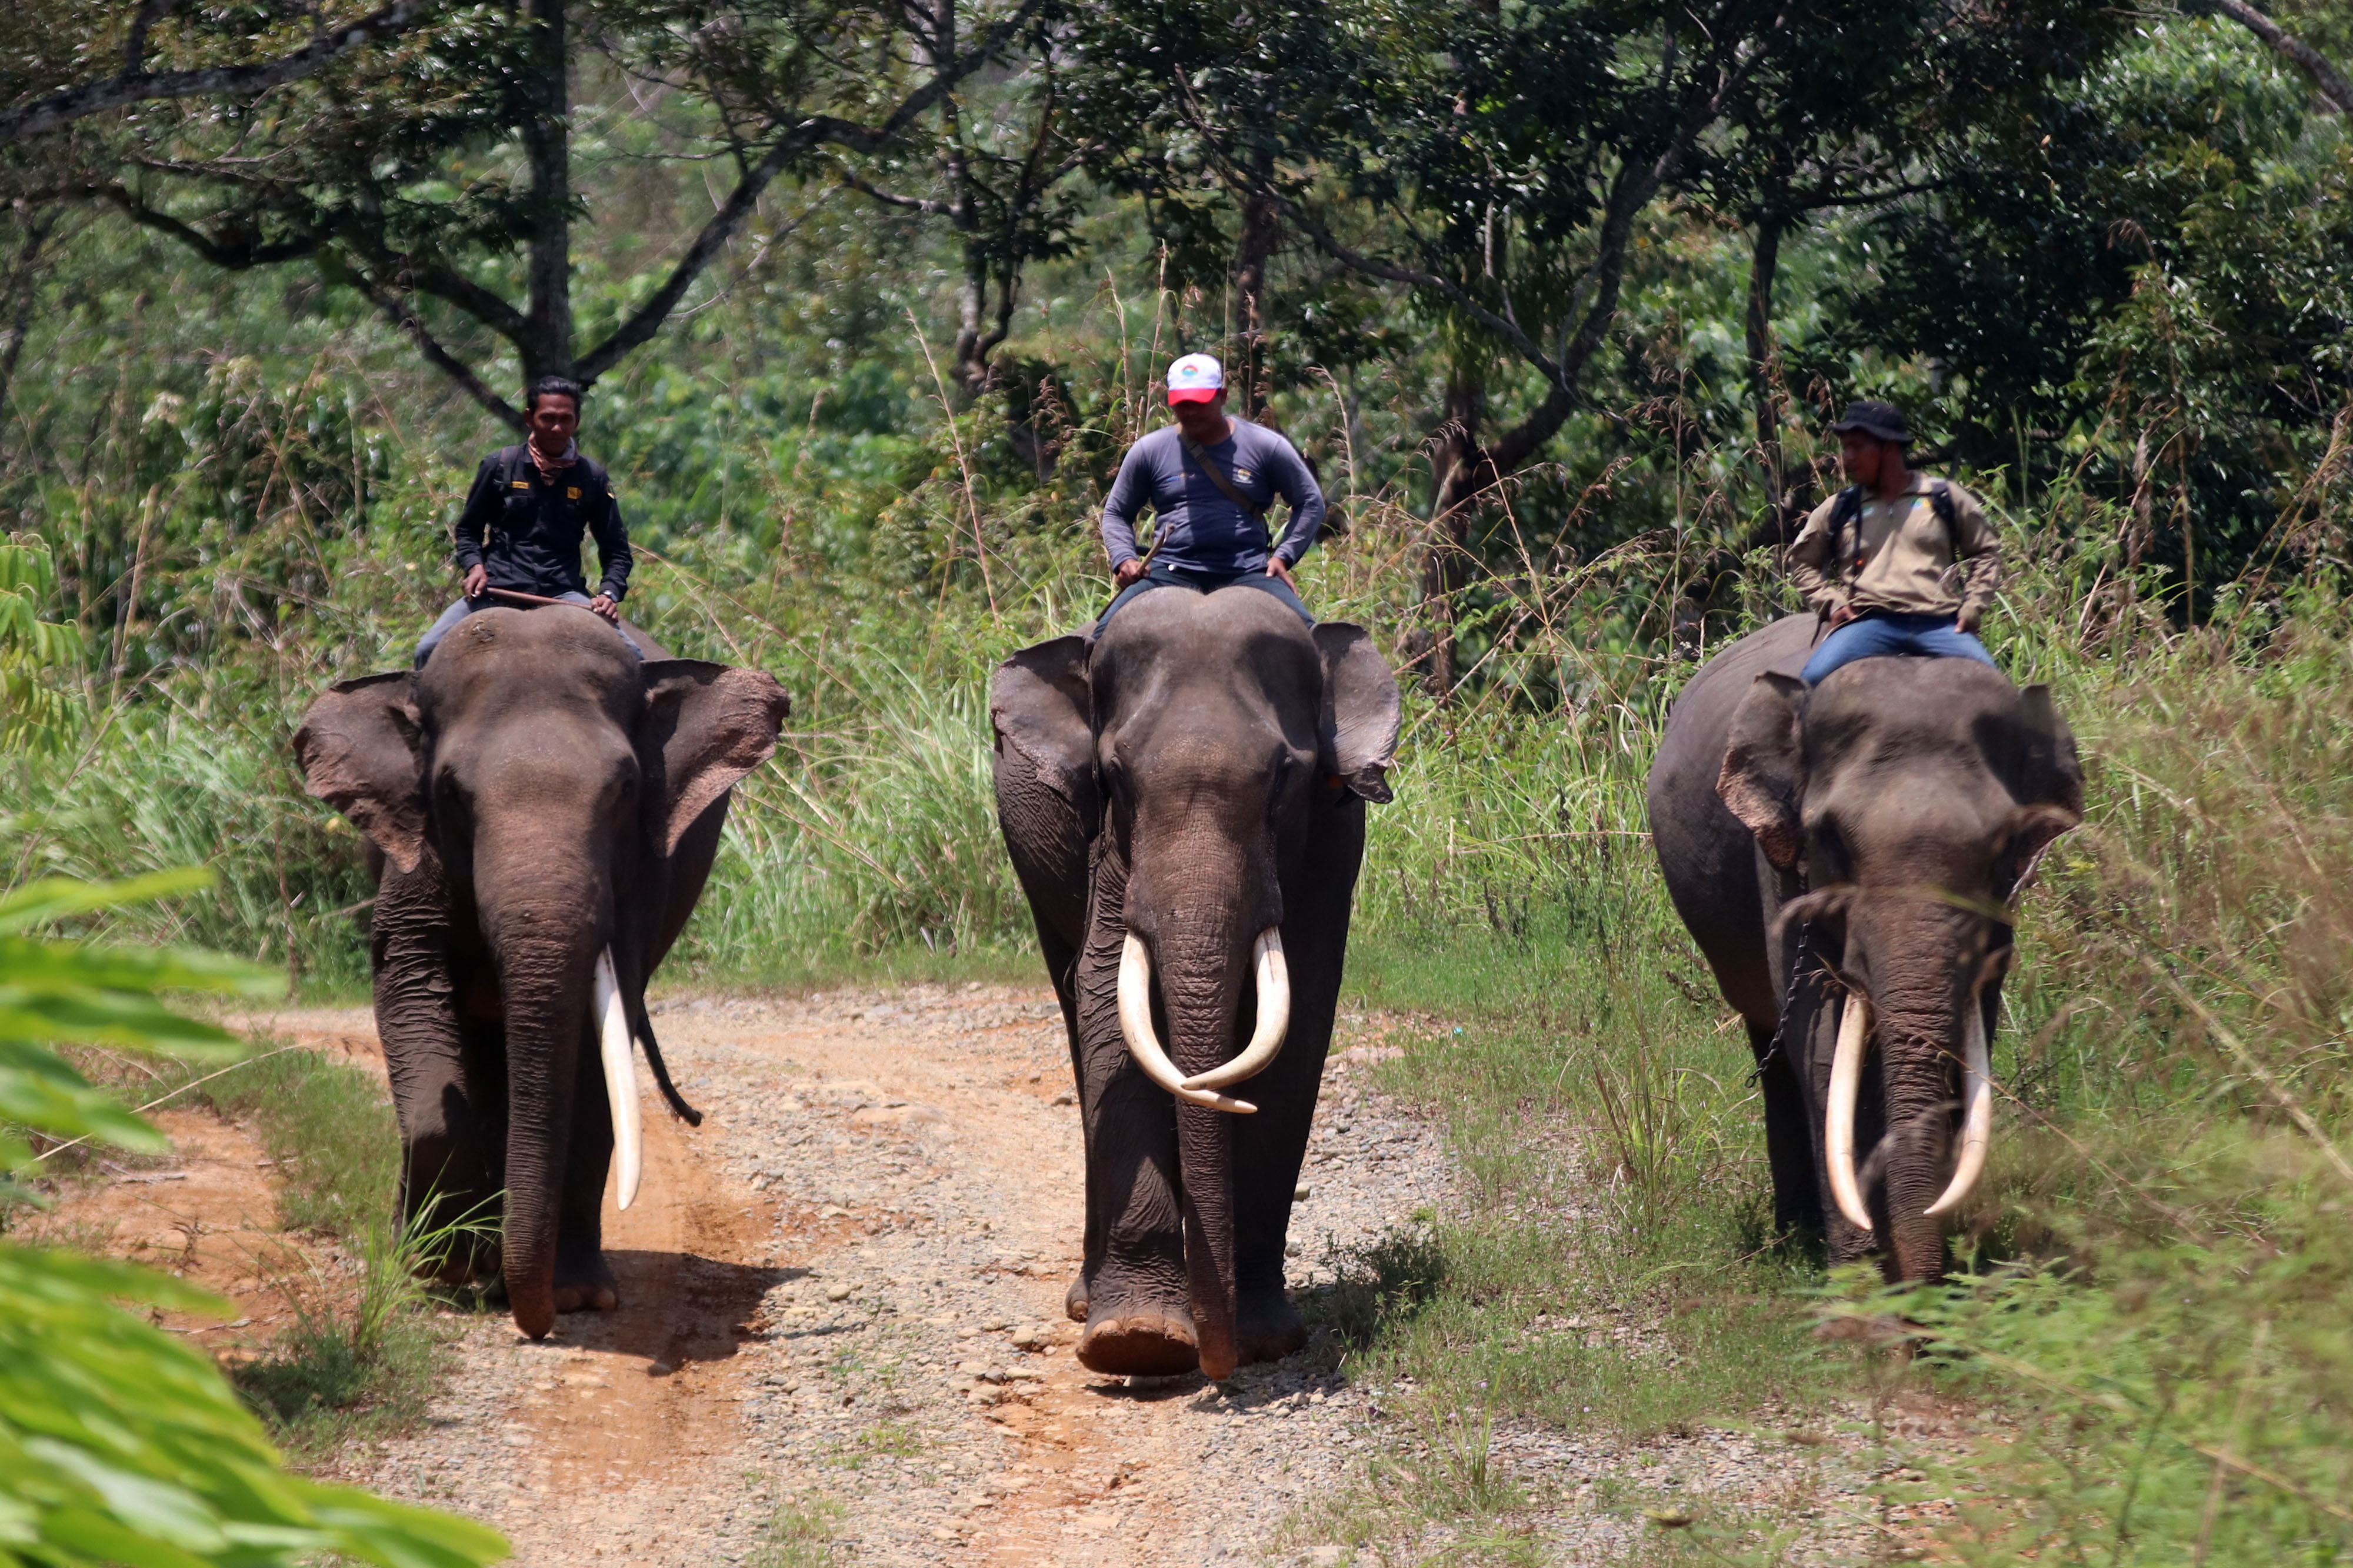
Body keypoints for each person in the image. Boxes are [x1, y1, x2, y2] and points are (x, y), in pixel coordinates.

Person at [414, 375, 638, 669]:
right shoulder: (500, 466)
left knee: (633, 657)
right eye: (548, 418)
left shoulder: (591, 477)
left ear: (577, 421)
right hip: (497, 590)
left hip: (563, 594)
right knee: (427, 651)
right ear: (530, 418)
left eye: (565, 419)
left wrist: (609, 593)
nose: (557, 428)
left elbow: (617, 551)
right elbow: (468, 531)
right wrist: (475, 567)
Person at [1095, 352, 1325, 632]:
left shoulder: (1266, 446)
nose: (1190, 411)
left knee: (1309, 637)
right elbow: (1117, 512)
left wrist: (1283, 556)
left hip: (1248, 571)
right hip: (1168, 570)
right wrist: (1125, 559)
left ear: (1223, 396)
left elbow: (1311, 502)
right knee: (1101, 637)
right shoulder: (1149, 450)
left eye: (1199, 402)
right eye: (1182, 404)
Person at [1787, 399, 2004, 686]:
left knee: (1999, 689)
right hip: (1871, 623)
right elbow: (1801, 562)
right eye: (1845, 447)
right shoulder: (1840, 507)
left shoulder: (1943, 497)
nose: (1846, 457)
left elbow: (1986, 552)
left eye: (1857, 447)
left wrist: (1973, 606)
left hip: (1939, 623)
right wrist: (1831, 603)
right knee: (1809, 682)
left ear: (1888, 447)